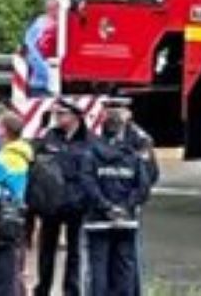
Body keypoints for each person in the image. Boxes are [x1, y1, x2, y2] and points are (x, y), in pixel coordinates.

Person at [76, 106, 150, 296]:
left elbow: (87, 184)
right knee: (125, 270)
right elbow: (143, 187)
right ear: (121, 129)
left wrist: (105, 206)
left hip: (98, 221)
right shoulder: (133, 157)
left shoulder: (90, 154)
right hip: (126, 222)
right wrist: (125, 207)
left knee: (98, 271)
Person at [31, 99, 90, 296]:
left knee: (75, 252)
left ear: (75, 116)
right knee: (46, 251)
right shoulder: (50, 136)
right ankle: (43, 288)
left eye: (61, 113)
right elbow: (38, 163)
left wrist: (83, 198)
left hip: (76, 204)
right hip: (51, 204)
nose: (57, 117)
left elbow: (90, 174)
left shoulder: (89, 141)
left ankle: (71, 290)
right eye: (55, 113)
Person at [22, 1, 59, 98]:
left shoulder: (58, 24)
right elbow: (30, 49)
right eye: (57, 8)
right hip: (40, 83)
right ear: (51, 10)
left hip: (51, 81)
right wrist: (45, 70)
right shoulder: (40, 25)